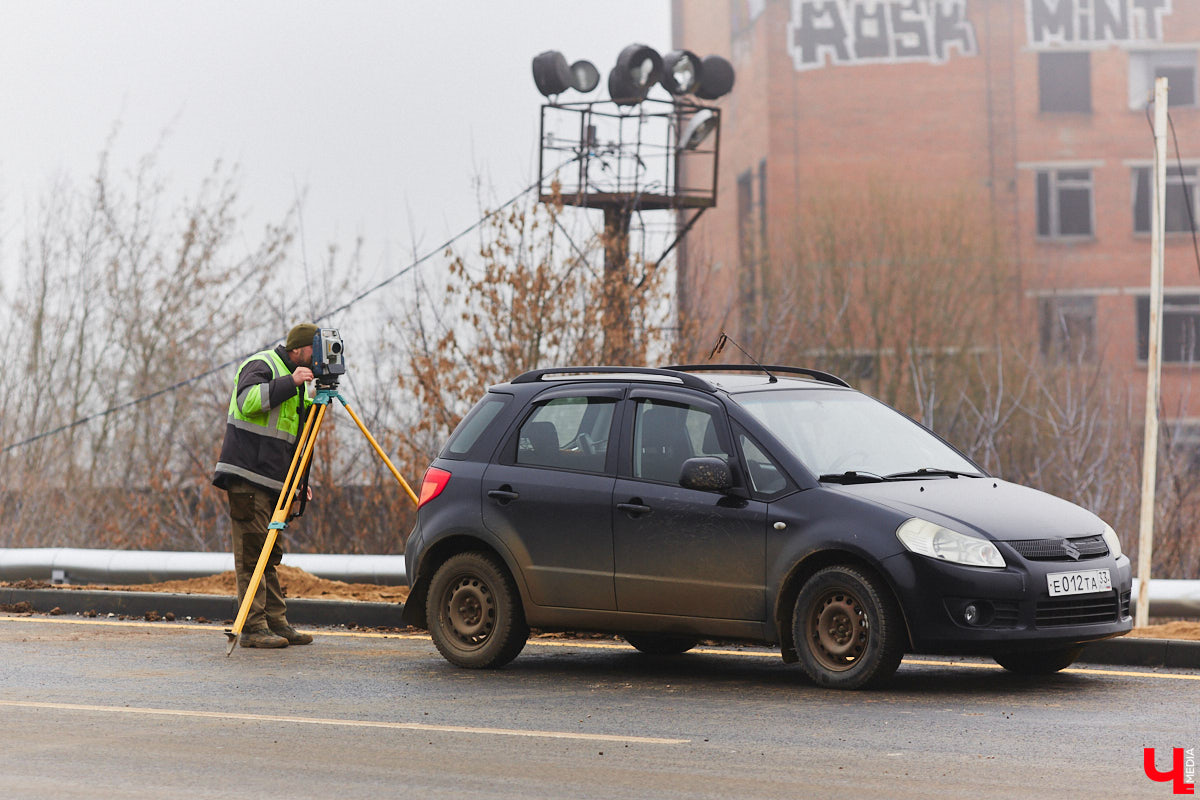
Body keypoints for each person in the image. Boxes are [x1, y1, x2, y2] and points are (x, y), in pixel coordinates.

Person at [212, 323, 319, 648]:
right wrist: (292, 381)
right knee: (251, 556)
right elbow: (248, 402)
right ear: (298, 350)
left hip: (272, 483)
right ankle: (253, 627)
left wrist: (299, 482)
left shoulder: (300, 384)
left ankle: (275, 621)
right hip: (246, 478)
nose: (317, 360)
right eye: (315, 351)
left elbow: (290, 441)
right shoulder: (262, 365)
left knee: (268, 555)